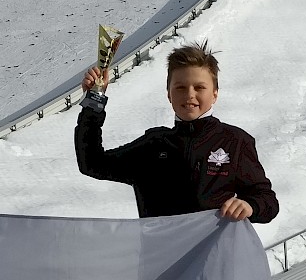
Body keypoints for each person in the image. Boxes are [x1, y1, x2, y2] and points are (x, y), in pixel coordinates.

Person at [74, 40, 279, 223]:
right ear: (169, 94)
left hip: (212, 262)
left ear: (215, 94)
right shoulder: (152, 145)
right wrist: (93, 102)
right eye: (180, 87)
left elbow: (267, 201)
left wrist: (250, 206)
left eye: (199, 87)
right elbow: (92, 163)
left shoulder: (234, 142)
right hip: (160, 263)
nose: (190, 95)